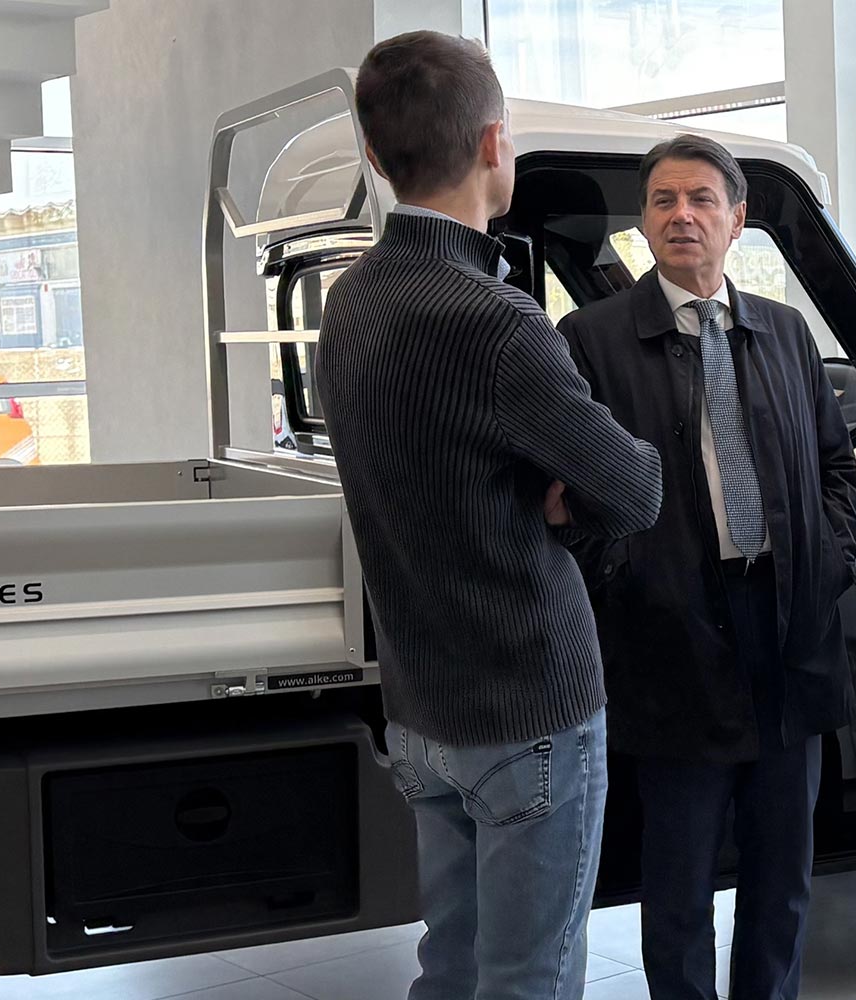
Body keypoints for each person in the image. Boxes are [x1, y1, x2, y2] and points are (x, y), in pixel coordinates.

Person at [314, 31, 665, 1000]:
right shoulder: (497, 321)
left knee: (452, 966)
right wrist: (568, 485)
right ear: (493, 143)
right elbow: (635, 488)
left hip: (422, 708)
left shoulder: (351, 300)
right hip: (528, 708)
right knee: (528, 979)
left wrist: (551, 478)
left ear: (376, 154)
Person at [557, 134, 856, 1000]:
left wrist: (827, 563)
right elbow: (567, 495)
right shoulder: (591, 340)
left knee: (783, 880)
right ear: (645, 222)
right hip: (671, 641)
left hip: (789, 635)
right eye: (663, 201)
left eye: (700, 199)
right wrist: (628, 579)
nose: (681, 215)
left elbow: (835, 467)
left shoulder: (785, 331)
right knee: (680, 889)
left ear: (738, 219)